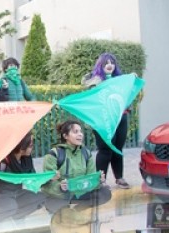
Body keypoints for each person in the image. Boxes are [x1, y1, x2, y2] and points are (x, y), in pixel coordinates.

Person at [83, 53, 131, 189]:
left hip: (121, 117)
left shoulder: (120, 80)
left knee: (117, 149)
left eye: (112, 63)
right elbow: (93, 100)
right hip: (103, 120)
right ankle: (100, 180)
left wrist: (132, 79)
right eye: (106, 63)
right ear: (101, 66)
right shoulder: (95, 81)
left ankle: (119, 177)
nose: (110, 65)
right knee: (105, 150)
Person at [43, 120, 112, 213]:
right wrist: (60, 187)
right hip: (61, 195)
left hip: (79, 192)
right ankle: (64, 213)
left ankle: (77, 210)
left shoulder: (86, 153)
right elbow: (45, 184)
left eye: (80, 131)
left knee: (104, 193)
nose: (80, 134)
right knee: (61, 219)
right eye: (75, 132)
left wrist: (98, 181)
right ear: (65, 136)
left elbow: (90, 179)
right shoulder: (53, 154)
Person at [0, 132, 46, 221]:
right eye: (30, 145)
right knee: (10, 205)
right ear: (21, 147)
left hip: (16, 193)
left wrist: (49, 179)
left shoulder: (26, 160)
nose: (32, 147)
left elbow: (33, 179)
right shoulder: (2, 161)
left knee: (40, 197)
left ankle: (17, 218)